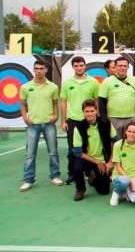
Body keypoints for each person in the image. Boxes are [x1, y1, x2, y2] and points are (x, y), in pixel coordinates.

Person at [19, 60, 63, 191]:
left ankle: (55, 176)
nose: (39, 71)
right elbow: (22, 104)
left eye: (41, 68)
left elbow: (55, 103)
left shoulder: (53, 87)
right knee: (30, 154)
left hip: (49, 123)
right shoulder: (25, 87)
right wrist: (25, 117)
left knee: (53, 152)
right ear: (34, 70)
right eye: (36, 68)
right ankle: (28, 179)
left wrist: (55, 116)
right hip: (33, 124)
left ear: (46, 70)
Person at [60, 56, 99, 185]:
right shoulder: (67, 83)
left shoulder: (93, 82)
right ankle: (72, 173)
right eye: (76, 66)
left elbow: (96, 101)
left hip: (88, 120)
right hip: (73, 120)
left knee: (89, 147)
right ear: (73, 67)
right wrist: (63, 121)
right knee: (73, 149)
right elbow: (64, 102)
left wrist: (96, 117)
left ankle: (89, 172)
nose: (79, 68)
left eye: (81, 65)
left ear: (85, 66)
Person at [71, 100, 117, 201]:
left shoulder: (106, 123)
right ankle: (80, 189)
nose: (89, 114)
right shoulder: (78, 127)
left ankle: (93, 178)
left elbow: (116, 142)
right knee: (76, 167)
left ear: (96, 111)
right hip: (86, 158)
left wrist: (110, 161)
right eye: (87, 111)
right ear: (83, 112)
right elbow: (78, 152)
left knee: (104, 191)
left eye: (92, 111)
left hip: (103, 159)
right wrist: (97, 162)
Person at [98, 56, 135, 139]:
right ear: (115, 67)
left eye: (125, 66)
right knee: (114, 144)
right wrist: (104, 119)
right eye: (120, 66)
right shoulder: (107, 81)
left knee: (131, 143)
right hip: (113, 119)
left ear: (128, 67)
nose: (122, 68)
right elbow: (101, 101)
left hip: (131, 119)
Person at [110, 122, 135, 206]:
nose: (131, 134)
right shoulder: (117, 145)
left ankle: (125, 193)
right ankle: (116, 192)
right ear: (125, 132)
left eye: (134, 132)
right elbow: (118, 167)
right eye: (129, 131)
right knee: (124, 182)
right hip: (120, 177)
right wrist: (130, 180)